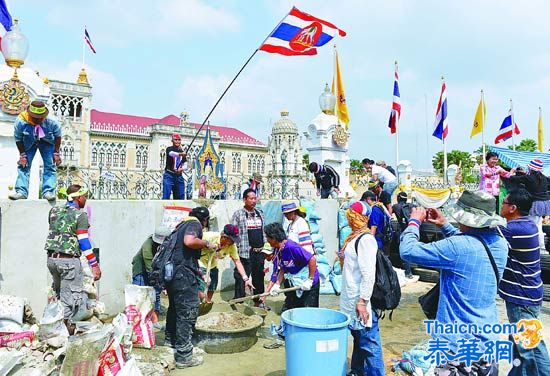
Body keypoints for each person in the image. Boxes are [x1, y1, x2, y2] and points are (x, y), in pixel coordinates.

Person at [400, 191, 508, 374]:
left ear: (464, 217)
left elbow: (408, 250)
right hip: (488, 344)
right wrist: (445, 226)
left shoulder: (456, 248)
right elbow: (473, 241)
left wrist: (414, 222)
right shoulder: (500, 244)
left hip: (456, 347)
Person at [498, 188, 550, 375]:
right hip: (527, 294)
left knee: (531, 349)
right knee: (520, 347)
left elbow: (481, 228)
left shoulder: (514, 229)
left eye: (503, 202)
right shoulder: (527, 224)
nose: (500, 204)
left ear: (513, 208)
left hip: (522, 297)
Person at [164, 206, 216, 369]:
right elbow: (190, 241)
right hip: (182, 276)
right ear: (205, 220)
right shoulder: (194, 224)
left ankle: (170, 341)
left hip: (173, 275)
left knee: (174, 309)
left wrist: (199, 274)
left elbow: (184, 255)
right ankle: (184, 356)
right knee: (187, 312)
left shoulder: (180, 225)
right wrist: (207, 243)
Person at [45, 184, 101, 333]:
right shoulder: (80, 215)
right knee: (70, 300)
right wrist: (94, 264)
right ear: (78, 198)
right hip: (68, 261)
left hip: (52, 260)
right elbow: (83, 241)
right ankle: (64, 334)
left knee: (59, 294)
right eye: (85, 197)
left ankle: (54, 328)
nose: (86, 200)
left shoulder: (54, 210)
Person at [340, 201, 385, 376]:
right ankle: (357, 371)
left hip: (360, 301)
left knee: (369, 342)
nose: (349, 219)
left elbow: (368, 274)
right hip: (351, 299)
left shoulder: (366, 239)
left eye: (351, 216)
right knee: (359, 339)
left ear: (357, 217)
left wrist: (362, 301)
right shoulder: (354, 238)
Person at [9, 101, 62, 201]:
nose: (38, 121)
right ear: (29, 114)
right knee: (23, 165)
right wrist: (23, 155)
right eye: (35, 118)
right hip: (28, 140)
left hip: (47, 142)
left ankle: (48, 192)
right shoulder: (21, 120)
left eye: (40, 118)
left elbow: (58, 136)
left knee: (50, 165)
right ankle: (21, 192)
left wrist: (56, 153)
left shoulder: (52, 121)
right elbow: (18, 139)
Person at [261, 222, 319, 312]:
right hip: (296, 282)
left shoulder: (292, 247)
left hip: (308, 282)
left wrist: (310, 280)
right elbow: (283, 269)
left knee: (309, 312)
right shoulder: (278, 250)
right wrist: (277, 285)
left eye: (268, 237)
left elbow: (312, 259)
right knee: (296, 311)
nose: (267, 239)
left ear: (274, 238)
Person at [198, 224, 254, 303]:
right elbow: (193, 241)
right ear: (224, 237)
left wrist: (246, 279)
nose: (233, 242)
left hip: (212, 265)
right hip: (200, 263)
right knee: (202, 289)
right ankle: (198, 303)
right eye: (232, 240)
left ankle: (206, 303)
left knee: (212, 287)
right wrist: (206, 244)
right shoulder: (209, 236)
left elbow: (237, 262)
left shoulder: (231, 247)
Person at [231, 188, 267, 307]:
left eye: (255, 198)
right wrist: (236, 248)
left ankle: (258, 302)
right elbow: (233, 233)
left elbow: (264, 233)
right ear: (244, 199)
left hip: (259, 252)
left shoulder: (260, 213)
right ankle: (238, 303)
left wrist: (266, 250)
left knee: (259, 278)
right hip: (244, 252)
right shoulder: (238, 214)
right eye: (251, 198)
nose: (253, 201)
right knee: (241, 279)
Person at [131, 226, 171, 328]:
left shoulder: (166, 246)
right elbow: (149, 268)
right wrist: (159, 282)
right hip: (141, 270)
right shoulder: (147, 246)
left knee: (155, 295)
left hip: (155, 271)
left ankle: (154, 321)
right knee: (140, 294)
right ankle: (137, 321)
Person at [506, 159, 550, 249]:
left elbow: (512, 178)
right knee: (538, 224)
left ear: (530, 168)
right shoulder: (544, 178)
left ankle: (532, 244)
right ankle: (541, 245)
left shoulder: (529, 178)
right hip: (544, 204)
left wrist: (512, 172)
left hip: (534, 204)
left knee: (531, 224)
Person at [392, 192, 414, 278]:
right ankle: (409, 271)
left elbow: (388, 214)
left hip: (402, 231)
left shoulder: (396, 207)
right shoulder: (411, 206)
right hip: (411, 230)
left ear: (398, 198)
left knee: (403, 251)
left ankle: (408, 272)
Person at [361, 190, 391, 255]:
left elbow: (373, 227)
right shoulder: (381, 207)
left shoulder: (374, 210)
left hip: (376, 242)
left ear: (368, 199)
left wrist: (369, 243)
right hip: (382, 240)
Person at [162, 133, 187, 200]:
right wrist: (181, 154)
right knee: (166, 195)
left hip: (178, 176)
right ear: (172, 141)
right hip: (169, 175)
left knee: (180, 196)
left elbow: (185, 164)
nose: (177, 141)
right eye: (175, 140)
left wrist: (181, 169)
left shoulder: (182, 151)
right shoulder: (169, 149)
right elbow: (172, 154)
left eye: (179, 140)